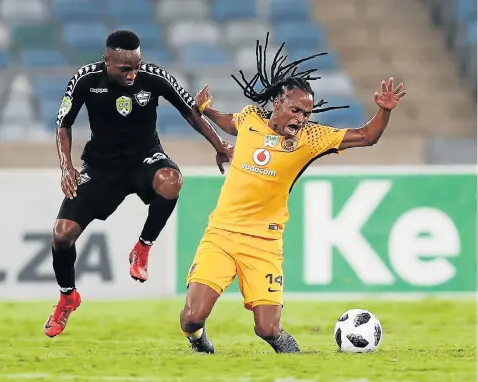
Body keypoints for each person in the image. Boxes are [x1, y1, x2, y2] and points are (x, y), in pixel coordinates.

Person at [179, 33, 406, 354]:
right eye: (296, 110)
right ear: (277, 104)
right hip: (221, 235)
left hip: (264, 244)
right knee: (191, 318)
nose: (301, 119)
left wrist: (384, 111)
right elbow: (229, 123)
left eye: (307, 114)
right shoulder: (250, 119)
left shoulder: (311, 138)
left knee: (268, 329)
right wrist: (207, 110)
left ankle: (299, 363)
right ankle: (198, 341)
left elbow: (367, 136)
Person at [44, 30, 233, 338]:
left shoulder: (155, 78)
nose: (133, 74)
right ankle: (67, 297)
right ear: (107, 61)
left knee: (171, 181)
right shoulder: (85, 80)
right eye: (124, 69)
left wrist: (219, 144)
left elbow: (191, 113)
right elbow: (63, 123)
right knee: (62, 235)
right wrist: (67, 167)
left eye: (136, 66)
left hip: (145, 159)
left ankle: (142, 248)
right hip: (101, 167)